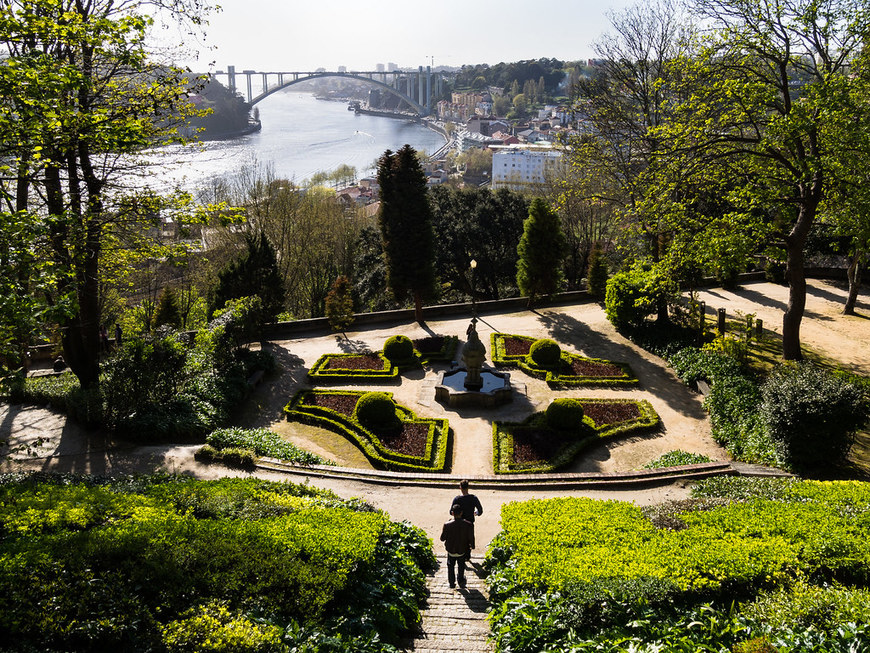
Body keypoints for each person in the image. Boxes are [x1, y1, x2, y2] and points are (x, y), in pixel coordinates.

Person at [440, 504, 474, 589]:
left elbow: (442, 538)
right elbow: (471, 537)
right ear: (461, 513)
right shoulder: (468, 524)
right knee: (461, 565)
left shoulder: (447, 525)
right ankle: (460, 580)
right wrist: (472, 546)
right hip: (462, 549)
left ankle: (451, 583)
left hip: (451, 550)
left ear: (452, 513)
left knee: (450, 566)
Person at [451, 479, 482, 561]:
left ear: (460, 488)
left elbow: (451, 511)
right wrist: (476, 513)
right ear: (468, 487)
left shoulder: (457, 499)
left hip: (459, 522)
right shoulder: (474, 498)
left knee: (459, 538)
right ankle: (467, 556)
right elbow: (480, 511)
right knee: (468, 539)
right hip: (470, 522)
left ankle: (460, 555)